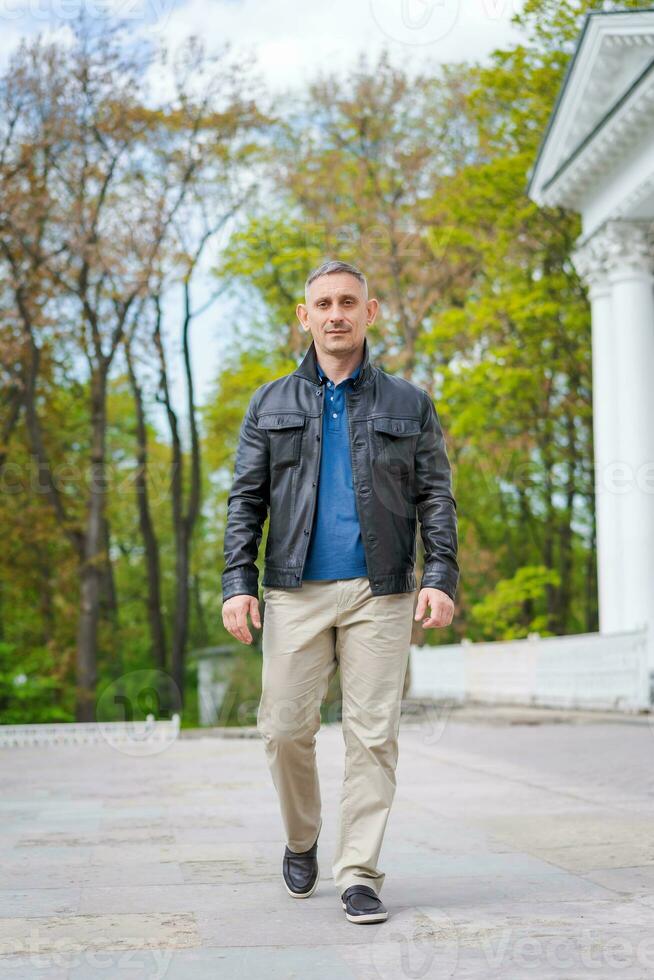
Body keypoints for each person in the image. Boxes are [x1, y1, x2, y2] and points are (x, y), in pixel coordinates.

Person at [222, 259, 459, 924]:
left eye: (347, 302)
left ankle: (358, 871)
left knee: (372, 736)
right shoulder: (270, 403)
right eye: (322, 302)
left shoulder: (408, 404)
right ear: (305, 316)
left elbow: (435, 494)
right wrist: (238, 583)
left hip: (379, 593)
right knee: (283, 730)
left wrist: (439, 576)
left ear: (369, 312)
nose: (335, 313)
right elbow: (246, 500)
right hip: (293, 592)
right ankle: (302, 838)